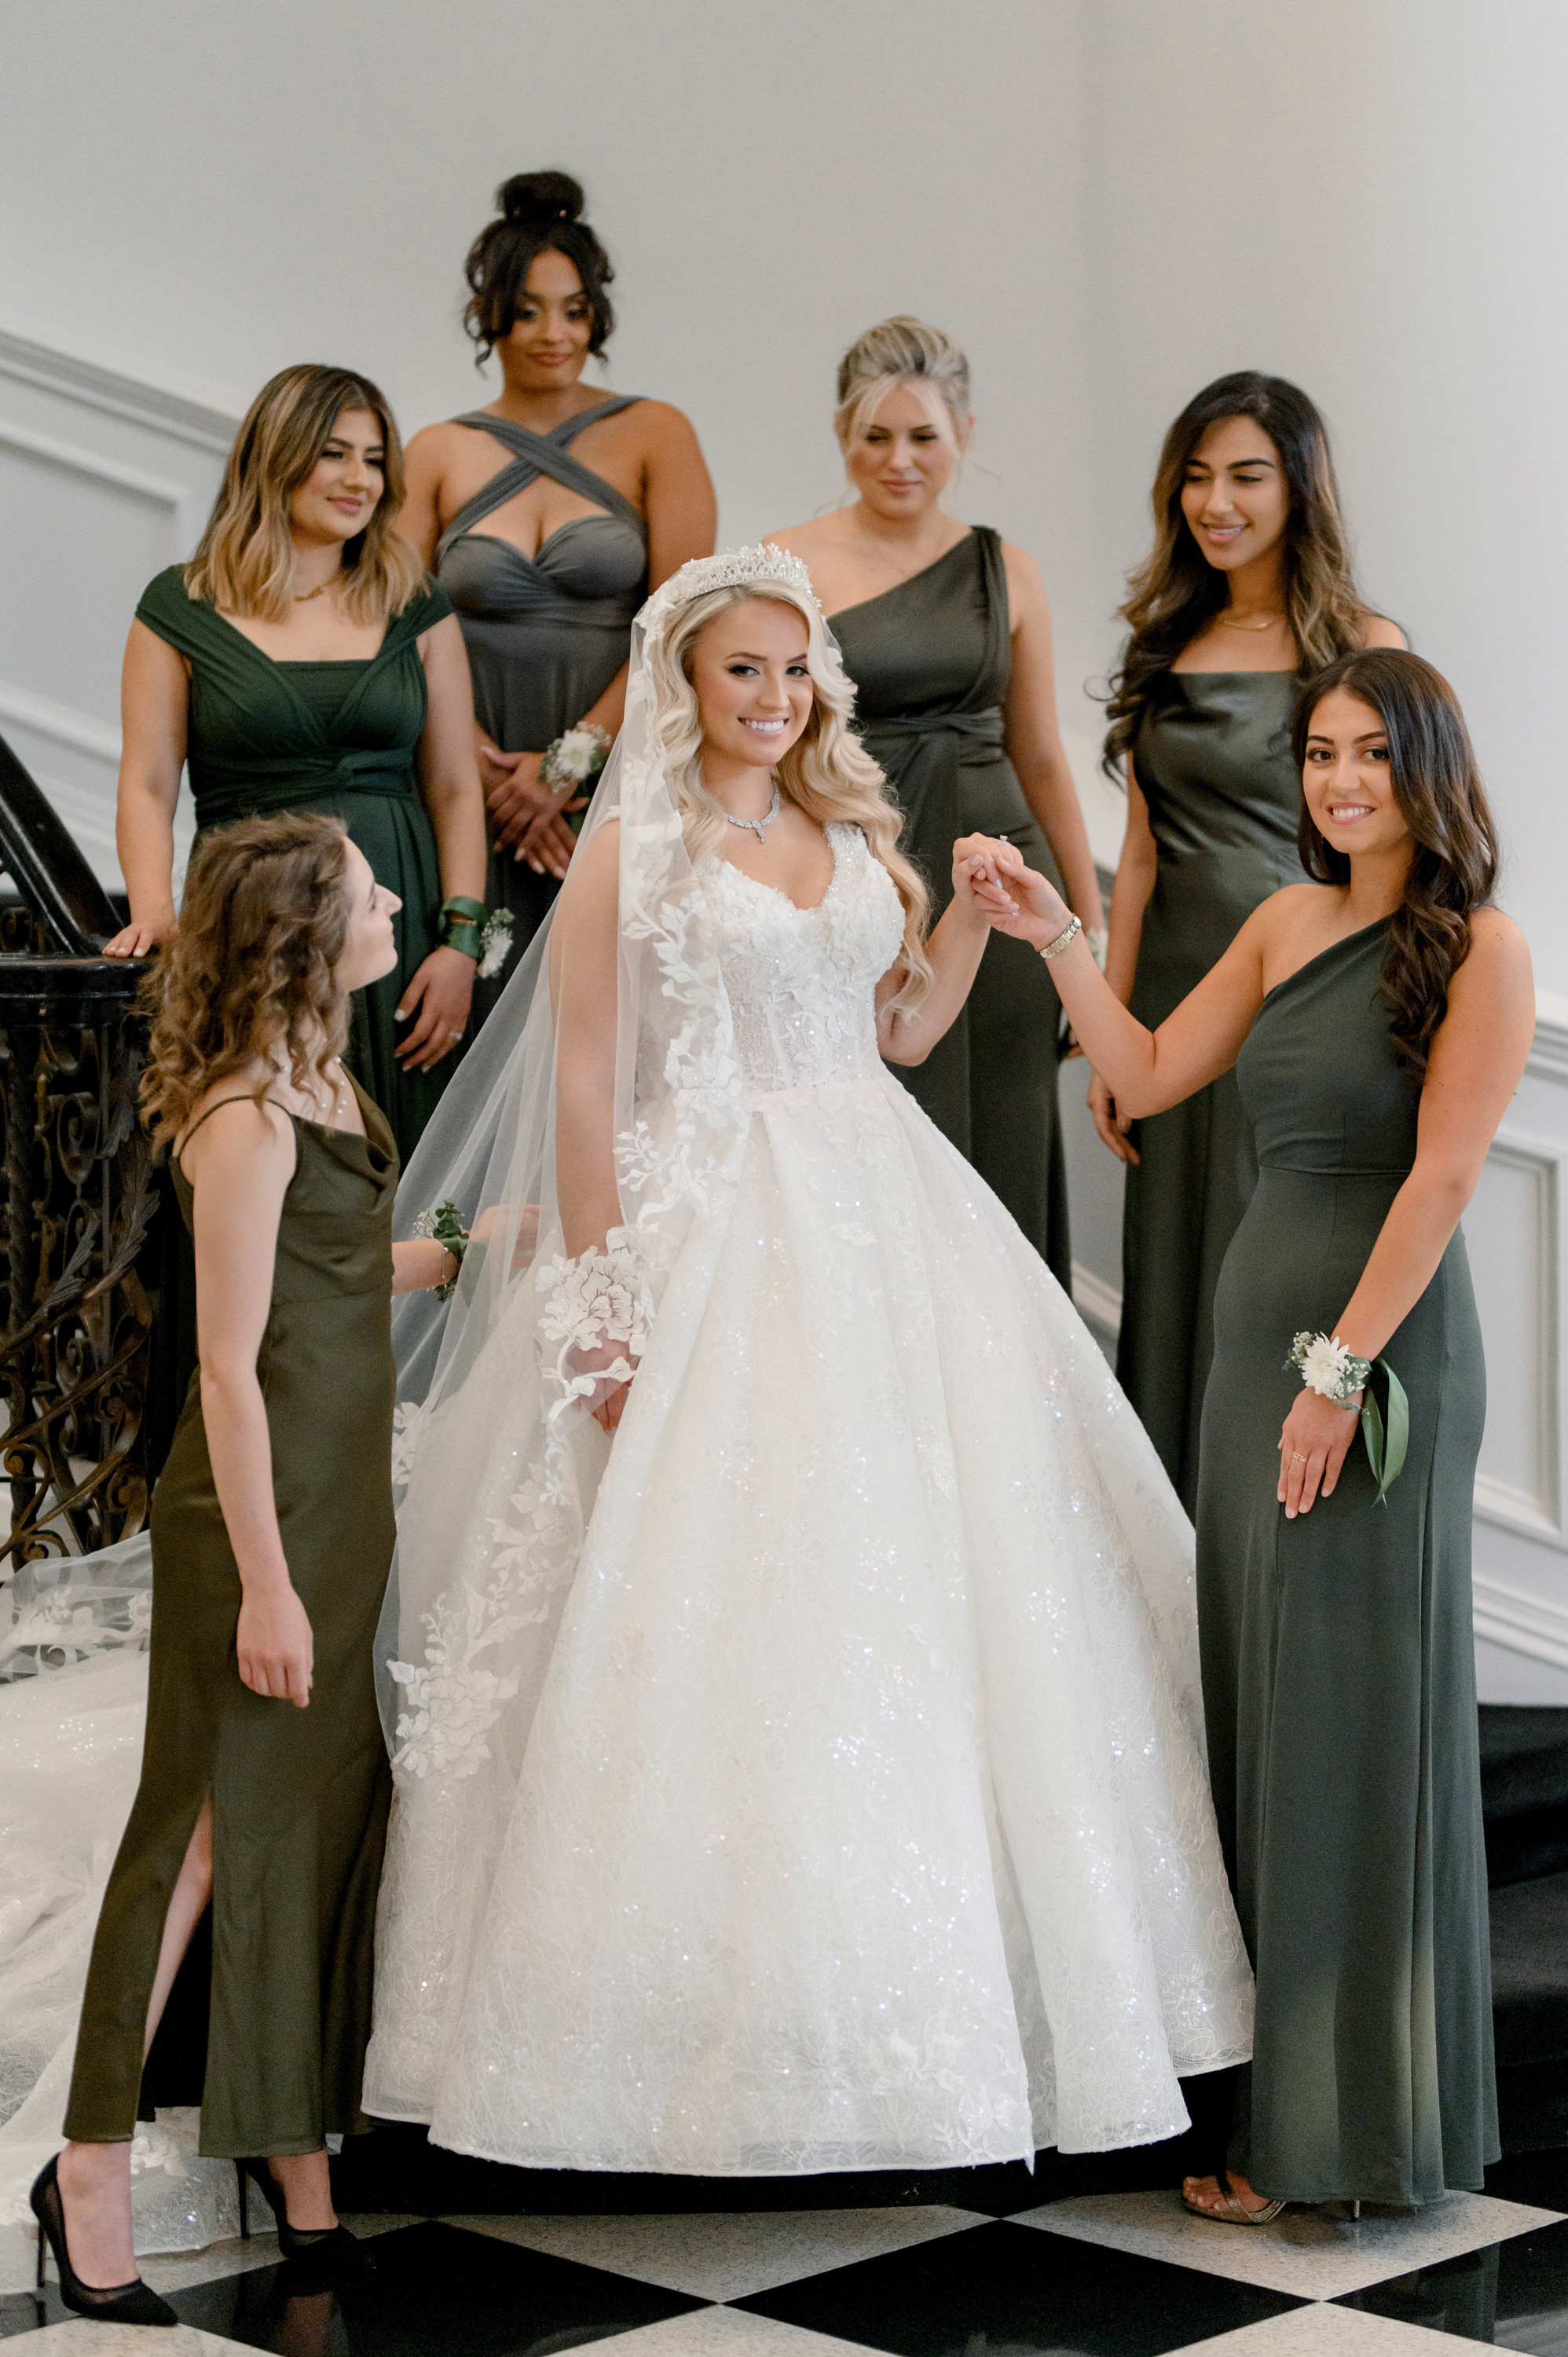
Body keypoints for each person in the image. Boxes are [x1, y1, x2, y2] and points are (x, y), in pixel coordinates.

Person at [362, 545, 1252, 2176]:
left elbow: (897, 1031)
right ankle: (697, 2039)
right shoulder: (634, 852)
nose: (773, 701)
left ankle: (953, 2018)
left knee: (938, 1580)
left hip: (882, 1213)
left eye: (793, 672)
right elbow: (580, 1092)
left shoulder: (852, 835)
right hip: (705, 1221)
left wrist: (983, 930)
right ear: (682, 688)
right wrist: (608, 1301)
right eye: (740, 674)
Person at [972, 648, 1531, 2212]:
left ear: (1428, 768)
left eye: (1370, 756)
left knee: (1353, 1730)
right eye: (1321, 756)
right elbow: (1146, 1072)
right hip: (1245, 1354)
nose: (1340, 783)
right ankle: (1281, 2115)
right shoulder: (1287, 919)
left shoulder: (1481, 949)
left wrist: (1337, 1377)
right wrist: (1054, 939)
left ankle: (1354, 2135)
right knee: (1265, 1717)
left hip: (1373, 1353)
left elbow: (1436, 1184)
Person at [33, 814, 463, 2324]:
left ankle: (296, 2157)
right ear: (304, 930)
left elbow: (336, 1283)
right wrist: (268, 1589)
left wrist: (467, 1245)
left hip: (344, 1513)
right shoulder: (241, 1118)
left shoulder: (328, 1079)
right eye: (368, 889)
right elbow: (227, 1371)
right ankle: (85, 2159)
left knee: (314, 1826)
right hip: (257, 1525)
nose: (396, 897)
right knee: (206, 1834)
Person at [1094, 373, 1403, 1510]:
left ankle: (1274, 1525)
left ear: (1300, 487)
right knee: (1175, 1268)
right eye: (1197, 476)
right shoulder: (1164, 639)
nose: (1215, 502)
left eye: (1246, 476)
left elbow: (1403, 845)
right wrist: (1118, 1020)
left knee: (1273, 1255)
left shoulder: (1362, 643)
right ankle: (1177, 1562)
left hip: (1306, 998)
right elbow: (1138, 855)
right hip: (1177, 997)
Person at [768, 318, 1103, 1283]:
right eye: (876, 436)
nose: (899, 460)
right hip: (857, 873)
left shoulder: (1010, 569)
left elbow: (1042, 757)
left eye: (923, 436)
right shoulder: (784, 564)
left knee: (1000, 1131)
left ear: (963, 434)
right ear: (843, 437)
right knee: (868, 1128)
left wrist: (1082, 929)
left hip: (998, 884)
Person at [104, 363, 489, 1164]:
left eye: (375, 459)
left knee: (400, 1164)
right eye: (334, 453)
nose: (359, 479)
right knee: (254, 1154)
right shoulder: (179, 607)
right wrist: (155, 916)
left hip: (394, 919)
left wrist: (460, 941)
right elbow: (147, 783)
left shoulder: (416, 604)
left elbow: (454, 787)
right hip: (252, 922)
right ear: (274, 457)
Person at [400, 170, 716, 992]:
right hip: (469, 778)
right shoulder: (435, 450)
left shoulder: (655, 432)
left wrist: (571, 767)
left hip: (621, 764)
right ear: (489, 314)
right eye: (531, 310)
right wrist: (473, 760)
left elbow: (681, 624)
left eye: (574, 311)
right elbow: (391, 623)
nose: (554, 333)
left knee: (610, 1002)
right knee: (481, 994)